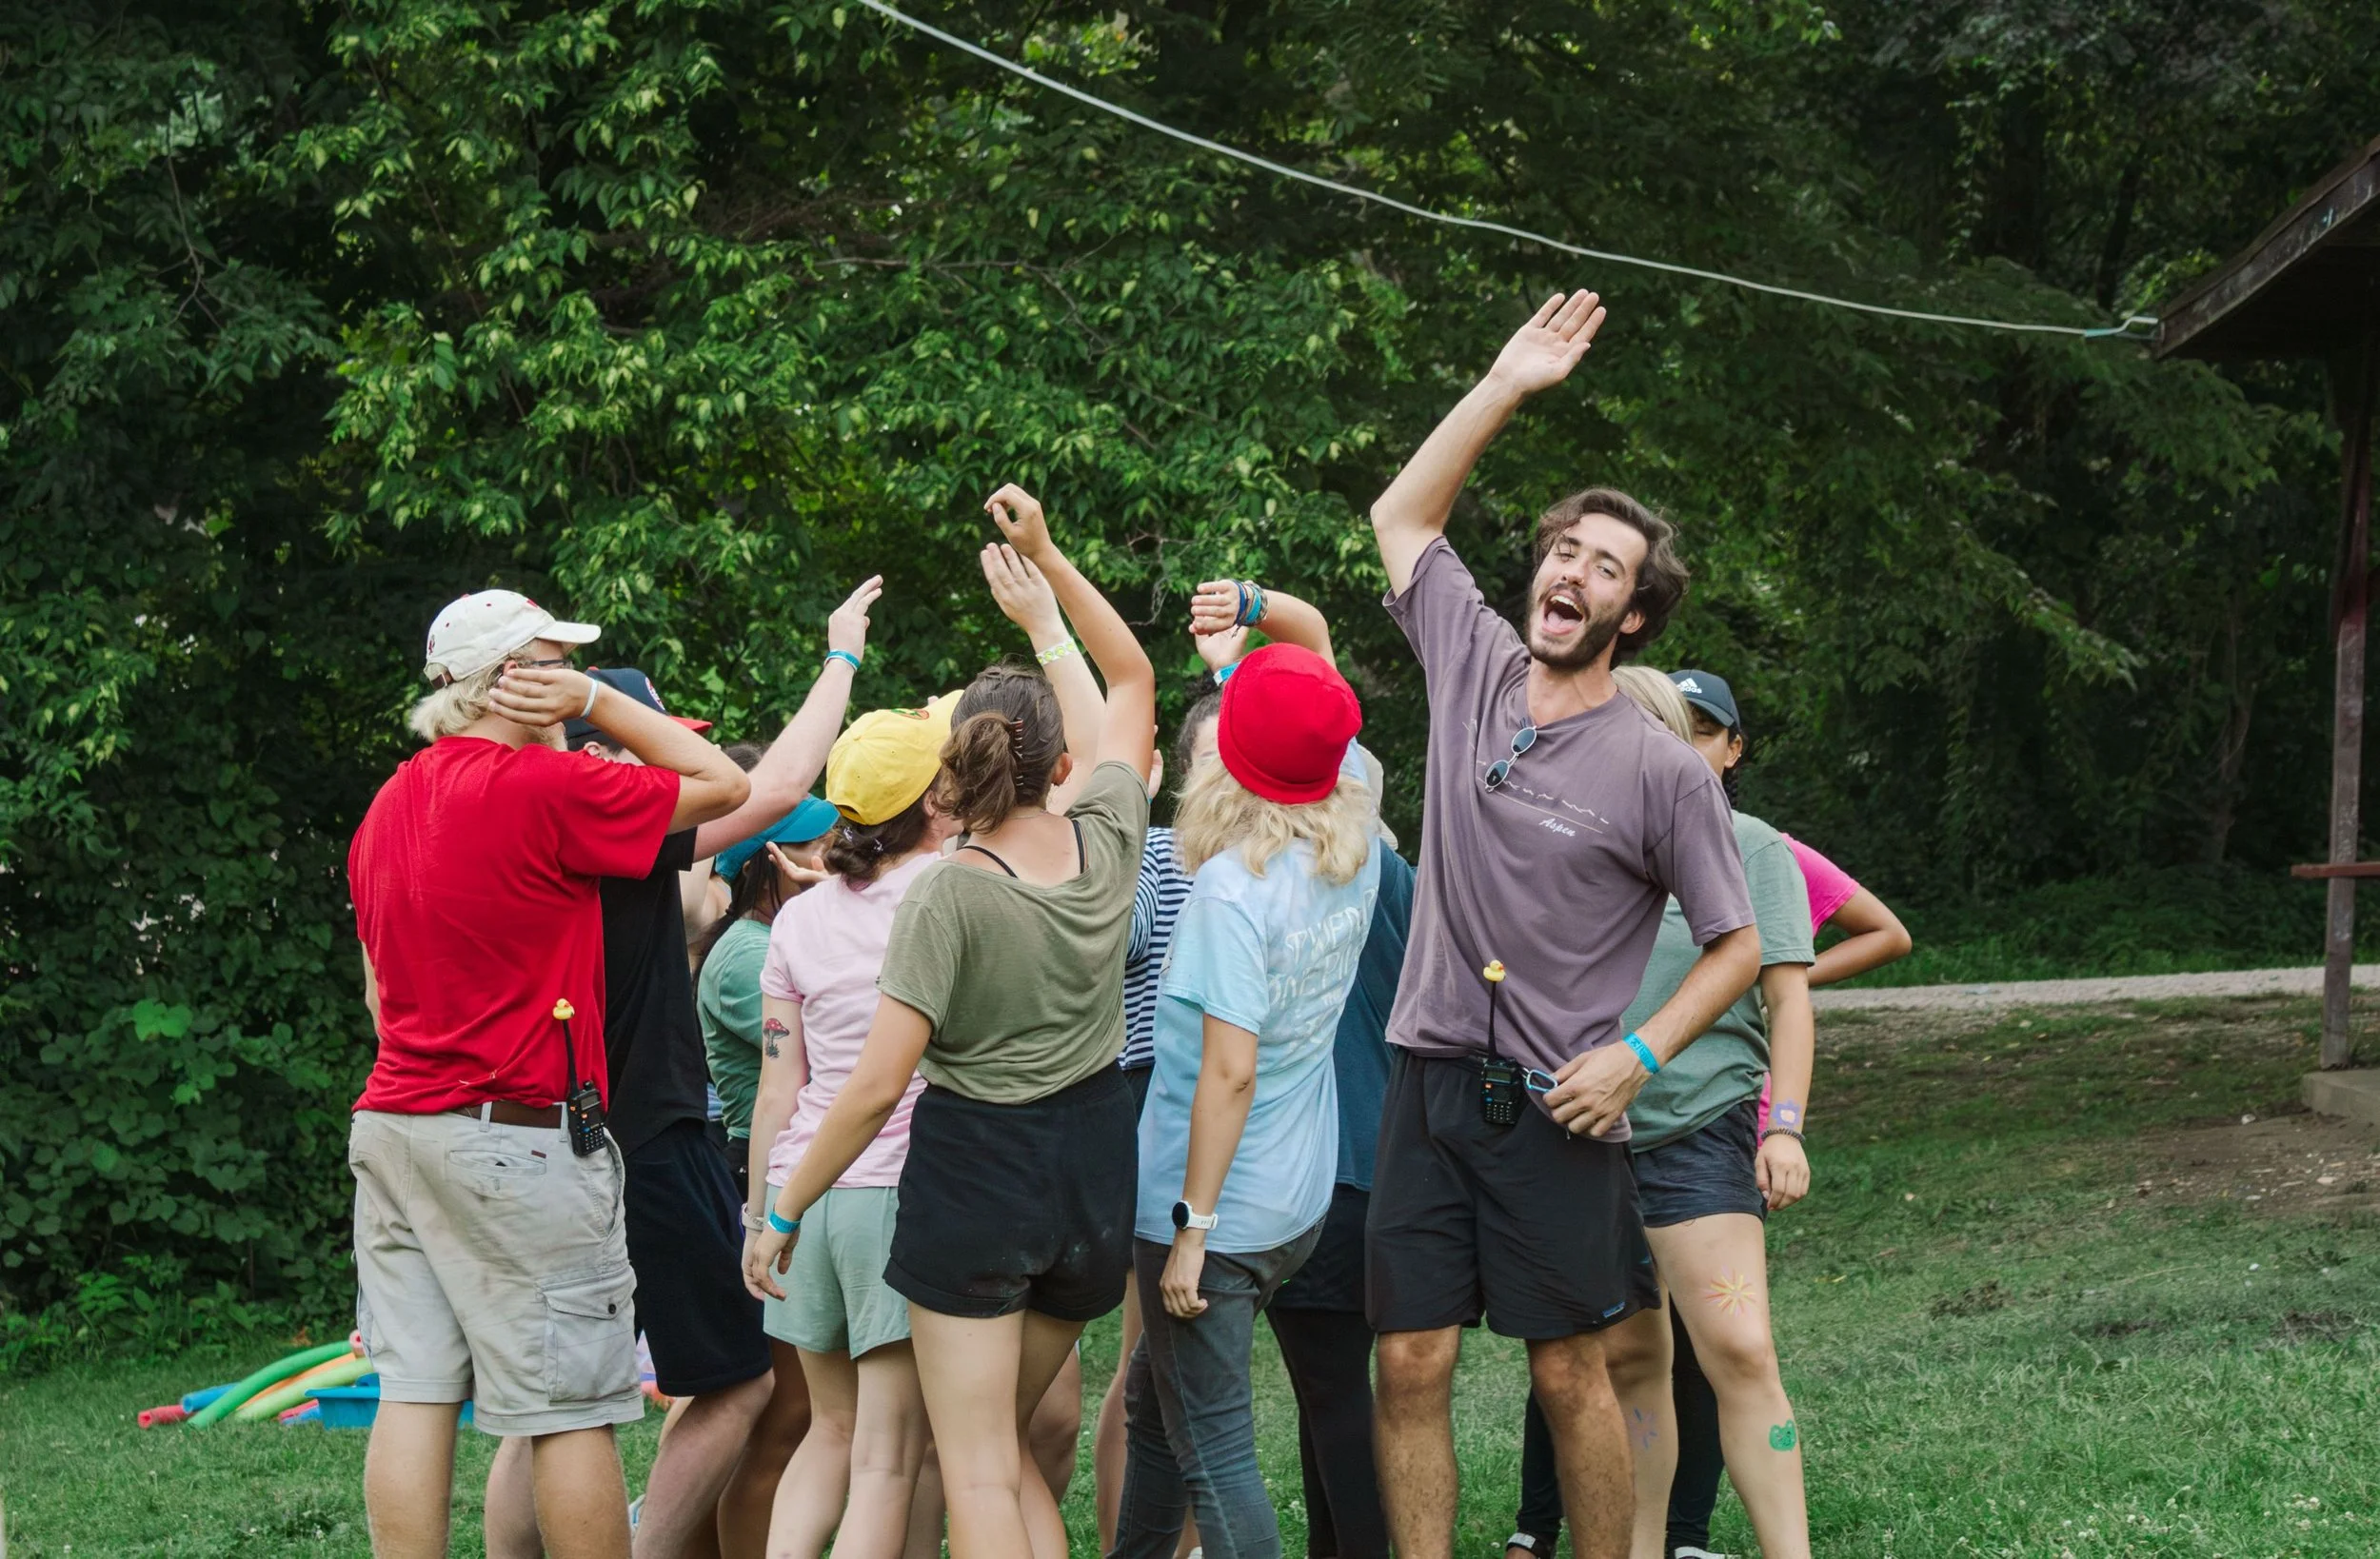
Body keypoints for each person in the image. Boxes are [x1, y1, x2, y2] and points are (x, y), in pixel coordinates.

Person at [1363, 290, 1761, 1559]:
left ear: (1634, 615)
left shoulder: (1660, 772)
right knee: (1412, 1360)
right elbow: (1402, 515)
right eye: (1563, 550)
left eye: (1604, 564)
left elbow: (1738, 942)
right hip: (1424, 1078)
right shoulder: (1471, 663)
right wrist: (1502, 382)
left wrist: (1636, 1056)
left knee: (1570, 1375)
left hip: (1555, 1104)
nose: (1569, 570)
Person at [750, 483, 1156, 1559]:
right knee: (1008, 1456)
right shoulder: (1109, 836)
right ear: (1061, 764)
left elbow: (878, 1086)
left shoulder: (948, 894)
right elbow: (1129, 677)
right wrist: (1047, 589)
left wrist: (783, 1210)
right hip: (1092, 1170)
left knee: (973, 1467)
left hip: (979, 1176)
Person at [486, 580, 886, 1559]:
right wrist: (840, 657)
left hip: (531, 1131)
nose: (672, 756)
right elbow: (782, 784)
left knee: (547, 1402)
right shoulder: (618, 831)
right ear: (604, 751)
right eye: (653, 736)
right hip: (644, 1134)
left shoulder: (504, 825)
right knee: (736, 1377)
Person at [347, 589, 750, 1559]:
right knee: (571, 1406)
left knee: (413, 1389)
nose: (571, 683)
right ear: (515, 682)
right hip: (518, 1131)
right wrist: (604, 704)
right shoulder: (541, 789)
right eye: (552, 665)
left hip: (397, 1124)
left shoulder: (390, 802)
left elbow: (374, 996)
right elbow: (723, 784)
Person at [1109, 642, 1377, 1559]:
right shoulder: (1357, 840)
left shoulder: (1230, 890)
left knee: (1215, 1449)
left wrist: (1193, 1226)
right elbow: (1336, 728)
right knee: (1157, 1400)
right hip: (1297, 1201)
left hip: (1214, 1213)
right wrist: (1259, 632)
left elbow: (1230, 1071)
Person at [744, 693, 961, 1559]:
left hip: (805, 1194)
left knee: (829, 1434)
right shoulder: (949, 889)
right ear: (934, 800)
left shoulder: (796, 916)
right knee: (884, 1457)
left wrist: (765, 1215)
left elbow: (775, 1089)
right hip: (888, 1192)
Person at [1263, 746, 1411, 1559]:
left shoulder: (1282, 877)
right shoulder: (1400, 878)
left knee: (1331, 1393)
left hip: (1311, 1160)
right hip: (1388, 1161)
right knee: (1332, 1390)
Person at [699, 794, 842, 1191]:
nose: (830, 853)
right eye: (811, 843)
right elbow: (835, 1046)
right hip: (768, 1159)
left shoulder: (786, 936)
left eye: (831, 838)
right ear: (758, 868)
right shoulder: (748, 952)